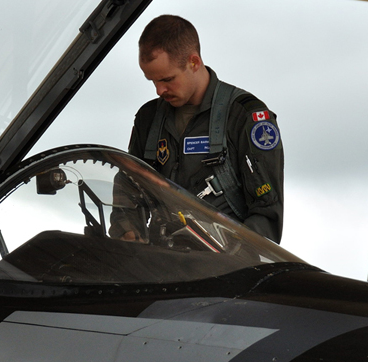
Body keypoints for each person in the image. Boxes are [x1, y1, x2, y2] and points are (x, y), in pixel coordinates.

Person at [119, 15, 283, 243]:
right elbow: (128, 189)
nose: (159, 90)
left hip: (222, 269)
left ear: (193, 62)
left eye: (167, 79)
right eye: (152, 81)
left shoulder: (246, 117)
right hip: (157, 265)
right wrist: (128, 233)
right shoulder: (149, 118)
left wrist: (231, 258)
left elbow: (266, 214)